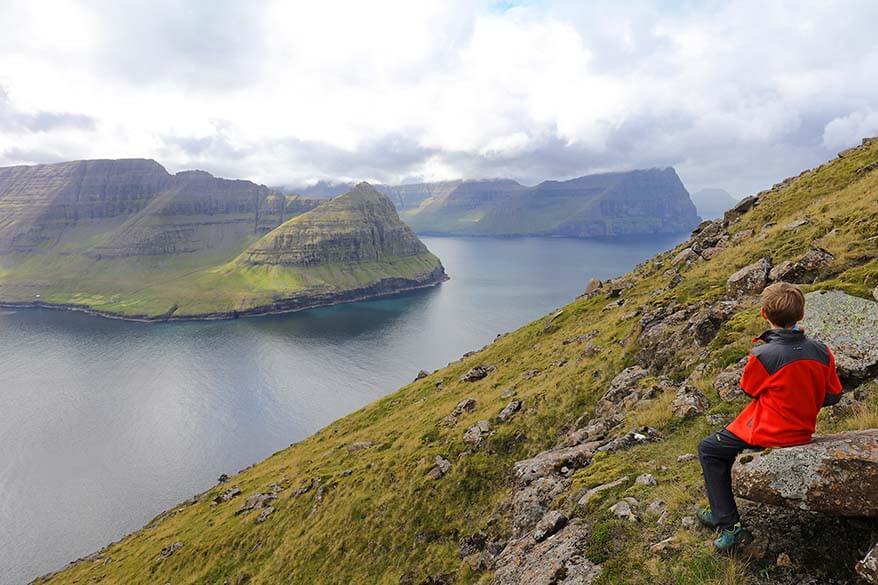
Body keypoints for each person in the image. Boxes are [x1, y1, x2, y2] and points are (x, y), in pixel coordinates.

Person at [697, 282, 843, 552]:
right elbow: (833, 394)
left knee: (710, 449)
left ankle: (728, 524)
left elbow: (749, 389)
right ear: (801, 315)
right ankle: (721, 511)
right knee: (720, 447)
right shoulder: (822, 351)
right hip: (802, 431)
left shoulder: (763, 354)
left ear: (764, 314)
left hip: (768, 432)